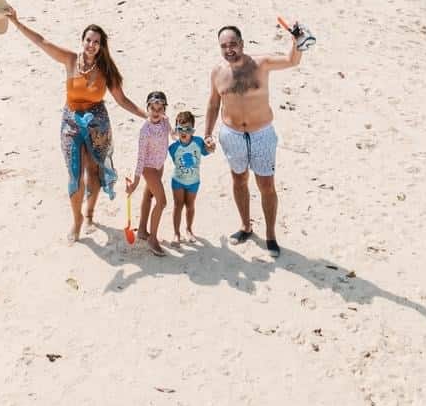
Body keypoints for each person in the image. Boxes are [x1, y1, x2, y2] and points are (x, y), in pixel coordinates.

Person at [6, 9, 147, 241]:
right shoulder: (71, 60)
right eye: (88, 40)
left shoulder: (106, 71)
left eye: (96, 42)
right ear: (82, 41)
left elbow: (122, 100)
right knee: (75, 174)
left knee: (94, 172)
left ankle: (90, 212)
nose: (91, 45)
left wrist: (146, 115)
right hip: (71, 121)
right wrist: (16, 22)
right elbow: (42, 42)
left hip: (97, 123)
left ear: (102, 46)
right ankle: (77, 219)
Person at [203, 22, 305, 253]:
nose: (229, 50)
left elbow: (292, 60)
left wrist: (296, 41)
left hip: (262, 133)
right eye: (224, 46)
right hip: (232, 134)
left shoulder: (261, 64)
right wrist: (207, 133)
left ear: (242, 43)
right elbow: (213, 103)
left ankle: (270, 235)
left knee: (266, 185)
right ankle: (245, 226)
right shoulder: (218, 72)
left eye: (233, 44)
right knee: (238, 180)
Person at [125, 90, 171, 255]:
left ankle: (143, 230)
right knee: (162, 202)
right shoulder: (145, 130)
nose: (157, 112)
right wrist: (135, 182)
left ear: (164, 109)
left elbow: (171, 134)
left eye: (160, 109)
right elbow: (140, 158)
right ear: (148, 108)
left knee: (149, 196)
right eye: (153, 108)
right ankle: (152, 239)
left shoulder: (166, 121)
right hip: (149, 168)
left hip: (160, 165)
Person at [165, 110, 211, 244]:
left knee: (190, 205)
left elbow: (207, 151)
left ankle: (189, 230)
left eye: (188, 129)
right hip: (178, 181)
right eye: (180, 129)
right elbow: (175, 162)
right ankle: (176, 233)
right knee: (178, 205)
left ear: (193, 130)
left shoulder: (198, 142)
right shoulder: (173, 148)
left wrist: (211, 147)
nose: (184, 132)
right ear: (176, 129)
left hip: (194, 181)